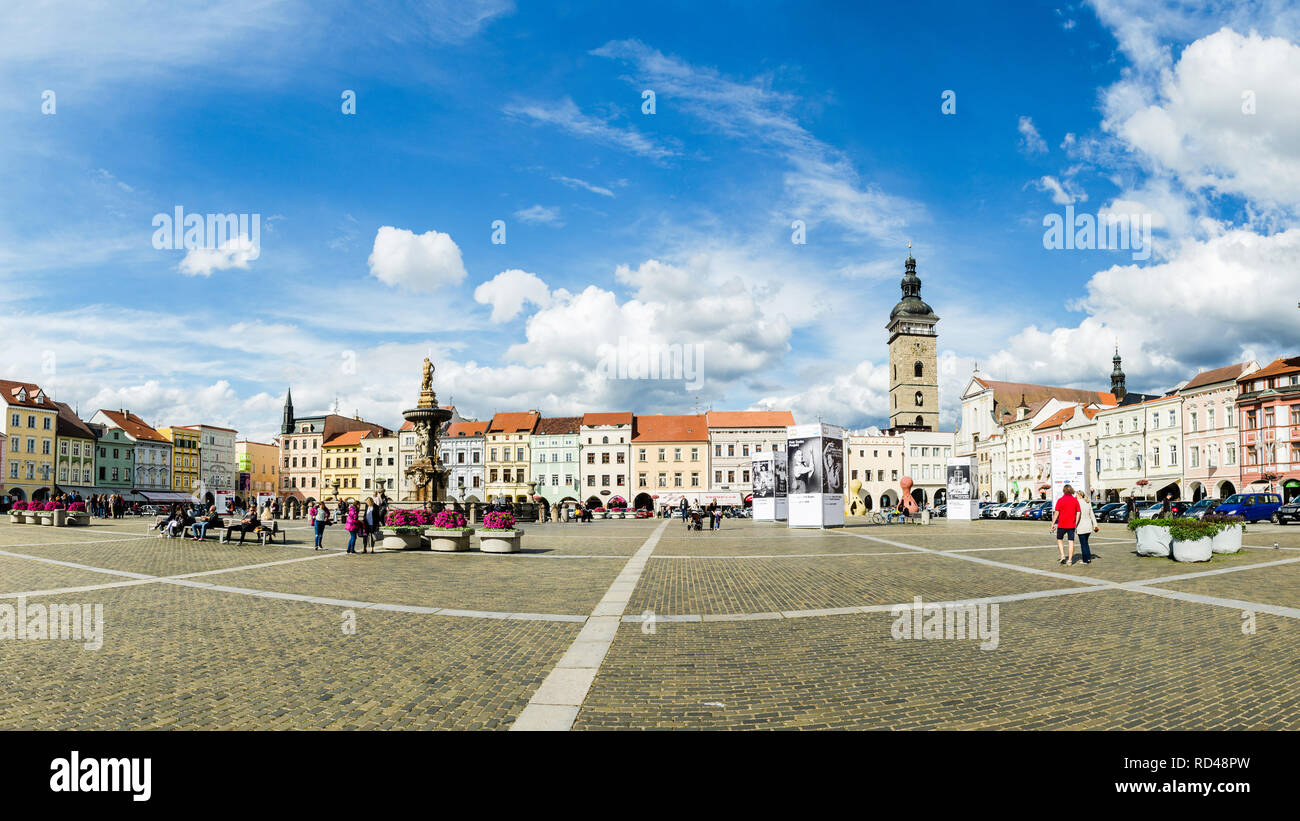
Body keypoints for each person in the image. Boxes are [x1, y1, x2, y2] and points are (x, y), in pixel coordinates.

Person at [1050, 484, 1082, 565]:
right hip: (1071, 525)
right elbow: (1078, 512)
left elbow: (1056, 513)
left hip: (1062, 524)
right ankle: (1070, 560)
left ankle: (1063, 555)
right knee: (1071, 541)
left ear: (1064, 491)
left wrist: (1053, 523)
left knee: (1059, 539)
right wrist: (1076, 522)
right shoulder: (1075, 500)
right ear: (1071, 490)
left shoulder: (1060, 500)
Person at [1074, 489, 1099, 564]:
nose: (1075, 496)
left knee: (1083, 544)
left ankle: (1085, 560)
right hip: (1088, 526)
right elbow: (1092, 515)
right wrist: (1095, 525)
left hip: (1080, 526)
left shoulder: (1077, 503)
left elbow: (1075, 515)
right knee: (1086, 543)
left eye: (1076, 495)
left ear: (1080, 495)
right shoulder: (1088, 502)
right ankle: (1088, 558)